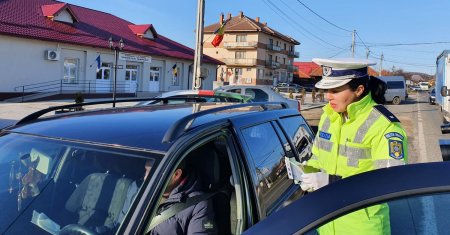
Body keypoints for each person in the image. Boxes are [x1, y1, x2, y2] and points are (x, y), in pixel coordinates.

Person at [299, 58, 408, 235]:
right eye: (327, 90)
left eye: (335, 90)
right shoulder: (329, 116)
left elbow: (390, 183)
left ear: (359, 90)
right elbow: (318, 155)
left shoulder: (385, 125)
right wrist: (308, 172)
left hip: (362, 227)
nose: (328, 96)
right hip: (325, 222)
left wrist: (332, 182)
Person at [149, 159, 217, 235]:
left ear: (176, 175)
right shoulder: (139, 192)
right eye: (145, 171)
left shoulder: (199, 204)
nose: (145, 178)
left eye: (150, 174)